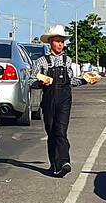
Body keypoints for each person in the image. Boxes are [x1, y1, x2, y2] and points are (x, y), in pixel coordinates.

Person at [32, 25, 100, 177]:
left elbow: (70, 81)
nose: (60, 44)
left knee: (60, 131)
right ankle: (54, 164)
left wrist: (85, 80)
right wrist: (41, 82)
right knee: (51, 132)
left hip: (65, 99)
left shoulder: (68, 60)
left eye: (62, 41)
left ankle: (64, 162)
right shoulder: (41, 62)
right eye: (57, 41)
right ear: (50, 42)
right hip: (49, 99)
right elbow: (31, 81)